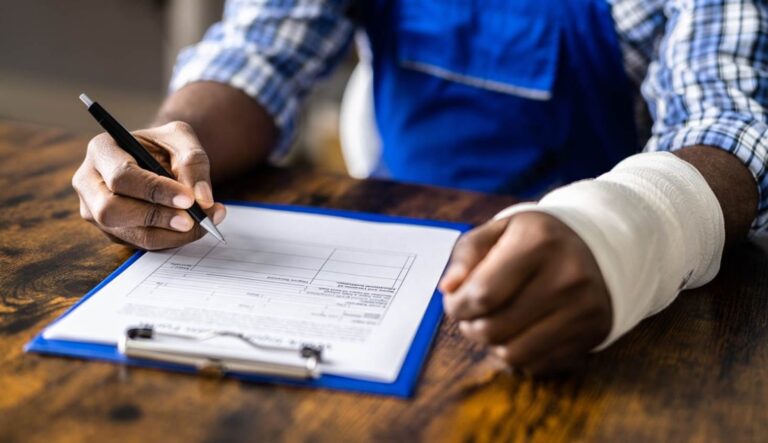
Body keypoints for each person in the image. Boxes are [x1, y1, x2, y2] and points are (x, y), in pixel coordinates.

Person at [72, 0, 767, 374]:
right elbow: (259, 49)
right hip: (386, 267)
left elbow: (732, 123)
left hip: (586, 292)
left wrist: (624, 234)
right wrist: (174, 137)